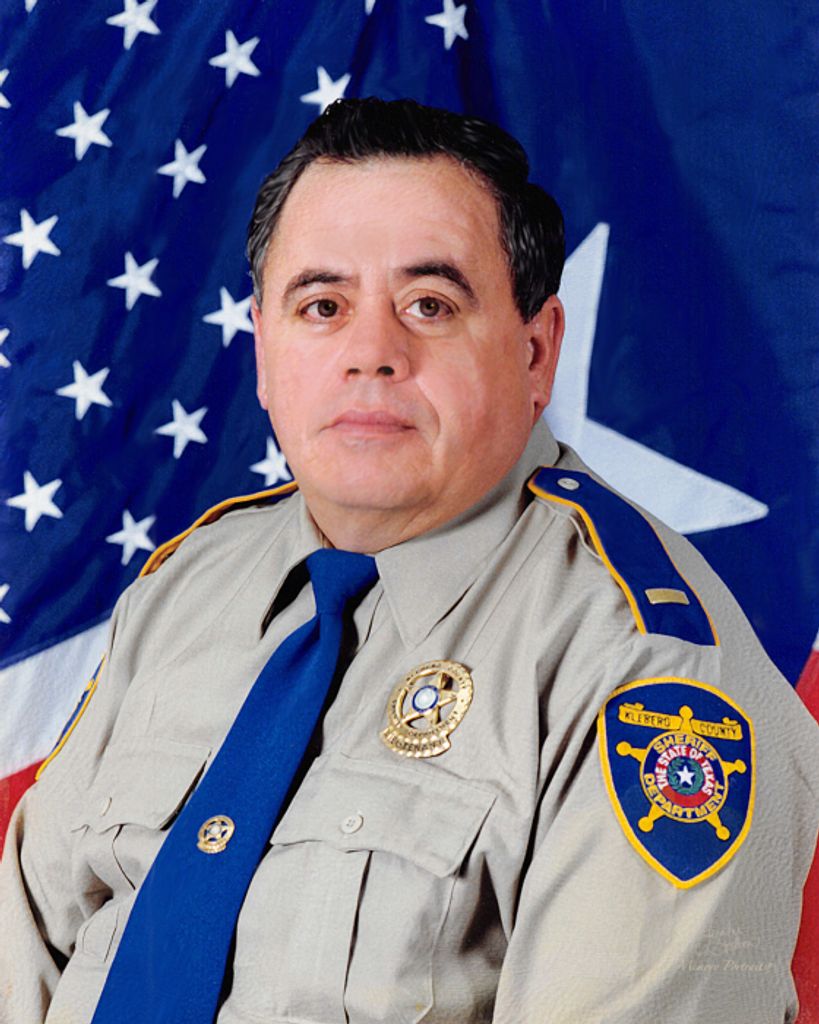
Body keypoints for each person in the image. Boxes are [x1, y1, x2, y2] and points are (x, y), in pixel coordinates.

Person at [1, 97, 817, 1024]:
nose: (371, 354)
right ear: (263, 350)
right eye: (322, 306)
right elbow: (24, 951)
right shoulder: (184, 590)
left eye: (430, 305)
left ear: (535, 351)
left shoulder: (648, 667)